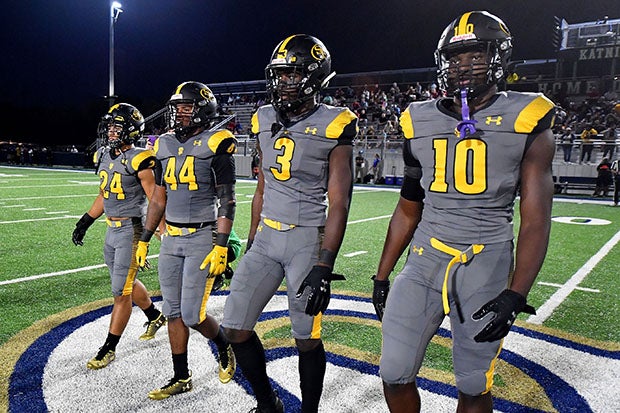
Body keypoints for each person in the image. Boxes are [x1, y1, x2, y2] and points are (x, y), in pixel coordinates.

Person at [372, 11, 555, 412]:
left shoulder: (528, 117)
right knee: (393, 372)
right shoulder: (417, 119)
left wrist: (516, 292)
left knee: (473, 385)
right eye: (455, 57)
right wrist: (382, 275)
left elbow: (537, 219)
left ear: (499, 57)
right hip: (425, 257)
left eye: (475, 54)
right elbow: (408, 207)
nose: (463, 65)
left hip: (486, 259)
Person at [222, 34, 357, 413]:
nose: (284, 82)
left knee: (305, 338)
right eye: (280, 75)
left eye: (293, 74)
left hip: (306, 239)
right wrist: (251, 241)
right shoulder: (263, 116)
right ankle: (269, 403)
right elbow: (262, 187)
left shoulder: (336, 122)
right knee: (236, 328)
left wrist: (324, 263)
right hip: (266, 236)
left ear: (316, 77)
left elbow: (340, 202)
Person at [135, 81, 237, 400]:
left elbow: (228, 200)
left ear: (203, 110)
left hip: (201, 237)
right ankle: (182, 376)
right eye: (176, 107)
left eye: (185, 107)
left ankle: (223, 344)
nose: (178, 113)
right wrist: (145, 238)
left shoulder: (217, 143)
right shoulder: (163, 145)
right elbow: (159, 198)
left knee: (193, 315)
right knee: (174, 312)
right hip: (172, 240)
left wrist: (221, 244)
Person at [72, 103, 167, 370]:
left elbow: (155, 199)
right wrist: (86, 220)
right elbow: (105, 194)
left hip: (131, 229)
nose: (111, 132)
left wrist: (159, 231)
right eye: (110, 127)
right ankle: (154, 315)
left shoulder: (140, 159)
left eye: (117, 127)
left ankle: (109, 348)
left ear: (132, 131)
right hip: (111, 230)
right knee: (124, 282)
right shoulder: (103, 154)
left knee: (120, 292)